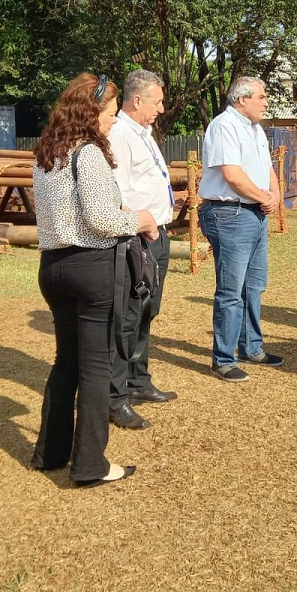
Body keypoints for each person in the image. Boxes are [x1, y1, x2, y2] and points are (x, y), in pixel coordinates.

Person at [31, 72, 158, 486]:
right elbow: (102, 219)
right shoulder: (87, 153)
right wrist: (141, 218)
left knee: (65, 362)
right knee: (96, 367)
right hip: (90, 269)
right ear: (90, 112)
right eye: (108, 112)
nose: (111, 120)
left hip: (53, 268)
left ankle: (50, 453)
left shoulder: (47, 153)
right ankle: (89, 464)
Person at [198, 76, 283, 382]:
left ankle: (251, 347)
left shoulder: (254, 128)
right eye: (261, 96)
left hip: (253, 212)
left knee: (254, 286)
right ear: (242, 98)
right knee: (231, 291)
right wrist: (265, 198)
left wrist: (274, 196)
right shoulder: (224, 126)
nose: (265, 101)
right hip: (230, 213)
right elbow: (233, 176)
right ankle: (223, 359)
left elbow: (267, 169)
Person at [106, 70, 178, 430]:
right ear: (137, 101)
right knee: (129, 316)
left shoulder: (142, 134)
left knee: (147, 311)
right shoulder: (120, 135)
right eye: (157, 101)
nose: (162, 108)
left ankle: (138, 381)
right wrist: (140, 228)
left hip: (155, 234)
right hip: (137, 238)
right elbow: (116, 196)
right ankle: (115, 397)